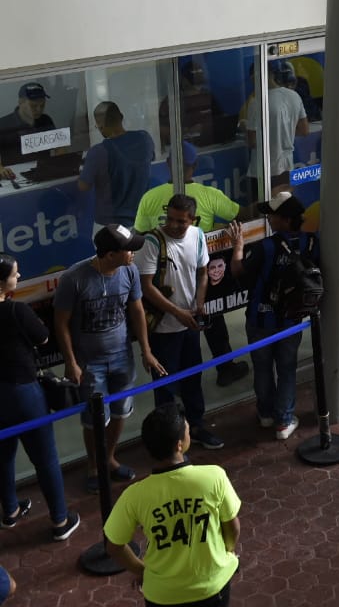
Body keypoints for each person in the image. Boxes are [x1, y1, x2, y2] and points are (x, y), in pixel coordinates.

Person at [54, 225, 164, 494]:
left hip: (122, 358)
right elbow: (61, 323)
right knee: (94, 420)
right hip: (90, 364)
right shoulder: (74, 279)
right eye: (129, 250)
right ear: (110, 254)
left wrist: (146, 350)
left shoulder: (129, 271)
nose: (133, 255)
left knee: (120, 412)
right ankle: (94, 466)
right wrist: (71, 361)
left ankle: (110, 458)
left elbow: (137, 310)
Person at [135, 140, 249, 388]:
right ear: (194, 166)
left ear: (167, 164)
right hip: (201, 272)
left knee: (169, 333)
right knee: (211, 317)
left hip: (162, 277)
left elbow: (140, 235)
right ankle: (224, 368)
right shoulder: (208, 195)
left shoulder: (149, 197)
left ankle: (171, 383)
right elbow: (243, 215)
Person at [104, 404, 241, 607]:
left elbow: (114, 547)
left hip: (162, 596)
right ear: (179, 445)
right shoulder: (213, 476)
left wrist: (142, 571)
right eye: (187, 430)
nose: (189, 433)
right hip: (212, 588)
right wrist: (227, 552)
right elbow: (233, 527)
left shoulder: (134, 495)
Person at [0, 254, 80, 542]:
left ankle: (9, 510)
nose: (18, 277)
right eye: (15, 274)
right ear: (2, 282)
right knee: (45, 458)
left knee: (3, 455)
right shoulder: (15, 311)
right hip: (23, 392)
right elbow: (43, 337)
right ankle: (60, 519)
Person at [137, 194, 224, 450]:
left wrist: (199, 304)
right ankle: (167, 442)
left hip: (189, 325)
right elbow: (146, 286)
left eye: (181, 221)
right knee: (165, 388)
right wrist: (177, 312)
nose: (174, 225)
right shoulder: (152, 242)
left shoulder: (197, 236)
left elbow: (203, 272)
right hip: (163, 329)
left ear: (192, 219)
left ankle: (195, 426)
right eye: (171, 219)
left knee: (192, 378)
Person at [229, 193, 317, 440]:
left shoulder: (264, 247)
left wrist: (238, 245)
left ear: (286, 220)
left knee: (263, 368)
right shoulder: (312, 243)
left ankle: (267, 415)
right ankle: (284, 421)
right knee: (287, 368)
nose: (268, 218)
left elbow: (238, 272)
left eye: (272, 214)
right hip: (292, 320)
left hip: (260, 320)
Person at [79, 101, 155, 230]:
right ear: (121, 117)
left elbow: (83, 186)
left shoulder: (98, 152)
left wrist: (86, 168)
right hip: (141, 221)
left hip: (110, 226)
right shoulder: (145, 138)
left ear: (100, 126)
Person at [243, 60, 309, 194]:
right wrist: (283, 131)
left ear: (253, 77)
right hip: (286, 166)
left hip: (263, 170)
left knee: (265, 211)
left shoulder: (257, 103)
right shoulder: (294, 96)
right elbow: (304, 130)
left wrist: (244, 126)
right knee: (283, 208)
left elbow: (252, 141)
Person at [0, 82, 56, 179]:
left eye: (42, 105)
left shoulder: (46, 120)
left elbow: (60, 147)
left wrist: (63, 163)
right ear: (21, 102)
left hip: (45, 174)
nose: (39, 110)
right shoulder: (4, 125)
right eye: (33, 106)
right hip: (15, 176)